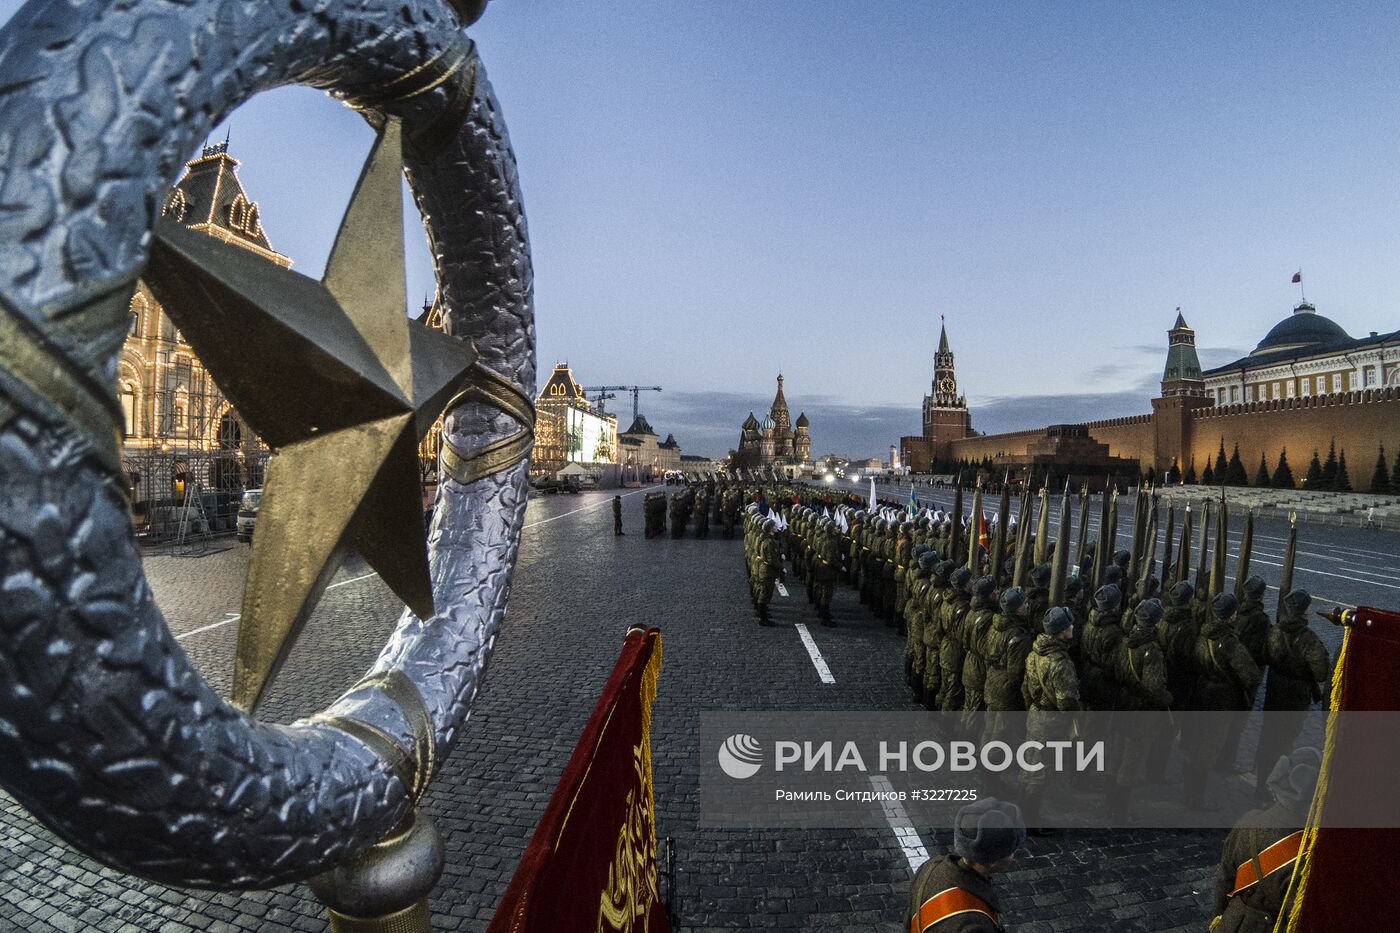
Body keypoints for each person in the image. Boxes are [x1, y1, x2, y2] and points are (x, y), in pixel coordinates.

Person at [1210, 748, 1321, 932]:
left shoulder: (1249, 820)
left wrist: (1219, 921)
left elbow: (1224, 880)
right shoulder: (1307, 854)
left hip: (1231, 923)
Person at [1183, 592, 1261, 810]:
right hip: (1221, 700)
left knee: (1196, 745)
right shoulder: (1229, 643)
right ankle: (1195, 797)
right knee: (1209, 748)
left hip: (1200, 694)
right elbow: (1251, 675)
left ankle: (1188, 790)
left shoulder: (1202, 635)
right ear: (1232, 615)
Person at [1252, 589, 1330, 805]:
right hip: (1295, 697)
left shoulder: (1274, 631)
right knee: (1285, 744)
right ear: (1304, 611)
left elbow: (1265, 655)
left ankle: (1260, 785)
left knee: (1267, 740)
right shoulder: (1307, 639)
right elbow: (1322, 671)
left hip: (1274, 691)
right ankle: (1275, 787)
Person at [907, 798, 1026, 933]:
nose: (1013, 858)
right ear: (991, 861)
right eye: (1011, 852)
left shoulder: (930, 867)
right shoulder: (973, 924)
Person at [1020, 606, 1082, 833]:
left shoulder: (1035, 652)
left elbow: (1025, 687)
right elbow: (1067, 701)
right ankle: (1032, 820)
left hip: (1036, 714)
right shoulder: (1060, 662)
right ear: (1061, 632)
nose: (1072, 628)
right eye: (1069, 625)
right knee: (1042, 770)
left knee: (1030, 764)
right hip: (1051, 720)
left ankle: (1025, 812)